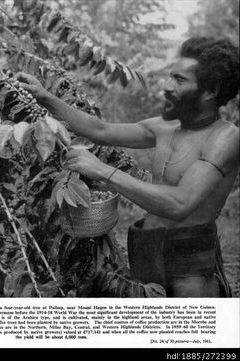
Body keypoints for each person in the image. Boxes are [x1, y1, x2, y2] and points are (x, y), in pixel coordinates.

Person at [17, 37, 239, 297]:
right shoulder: (165, 127)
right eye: (170, 76)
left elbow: (181, 203)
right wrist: (45, 97)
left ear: (211, 91)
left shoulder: (226, 138)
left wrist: (102, 171)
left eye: (179, 80)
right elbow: (101, 130)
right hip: (147, 251)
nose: (167, 86)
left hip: (190, 266)